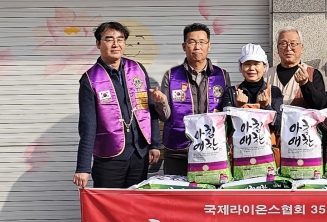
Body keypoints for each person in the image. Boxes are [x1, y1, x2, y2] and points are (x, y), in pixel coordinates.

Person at [73, 22, 164, 189]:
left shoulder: (137, 69)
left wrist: (155, 145)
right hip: (110, 158)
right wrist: (83, 167)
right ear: (98, 44)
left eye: (120, 39)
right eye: (109, 39)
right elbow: (87, 126)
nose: (116, 44)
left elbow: (148, 109)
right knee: (109, 204)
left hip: (139, 154)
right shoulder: (91, 79)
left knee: (136, 203)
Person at [160, 23, 230, 176]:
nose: (197, 47)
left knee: (208, 189)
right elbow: (164, 116)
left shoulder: (222, 75)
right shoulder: (171, 75)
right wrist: (161, 103)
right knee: (176, 190)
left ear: (209, 46)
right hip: (178, 149)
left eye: (202, 42)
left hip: (211, 149)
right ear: (184, 46)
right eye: (192, 42)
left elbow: (226, 112)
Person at [263, 27, 327, 108]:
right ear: (277, 48)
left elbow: (320, 104)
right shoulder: (266, 75)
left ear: (301, 48)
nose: (288, 48)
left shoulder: (313, 73)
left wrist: (305, 84)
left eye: (293, 44)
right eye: (283, 44)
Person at [223, 43, 284, 125]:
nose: (251, 68)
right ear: (241, 66)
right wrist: (238, 107)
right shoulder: (231, 92)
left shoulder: (274, 91)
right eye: (247, 64)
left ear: (264, 66)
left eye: (256, 64)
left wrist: (266, 106)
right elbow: (224, 124)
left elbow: (279, 124)